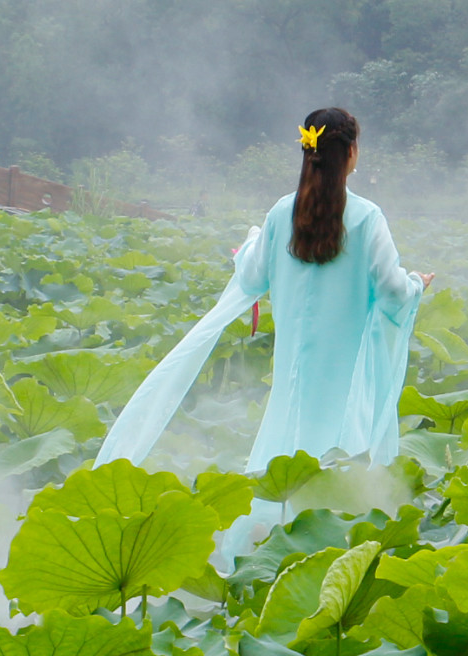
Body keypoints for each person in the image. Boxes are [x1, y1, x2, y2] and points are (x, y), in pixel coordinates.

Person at [95, 107, 431, 472]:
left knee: (282, 461)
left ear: (308, 151)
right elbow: (393, 291)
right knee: (341, 462)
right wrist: (415, 282)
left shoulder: (281, 213)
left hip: (293, 373)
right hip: (343, 376)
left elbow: (252, 276)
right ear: (350, 152)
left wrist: (252, 241)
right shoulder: (367, 217)